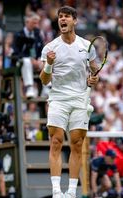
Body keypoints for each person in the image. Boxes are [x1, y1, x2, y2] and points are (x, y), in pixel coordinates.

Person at [39, 5, 99, 198]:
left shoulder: (86, 46)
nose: (62, 20)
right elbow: (44, 80)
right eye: (60, 17)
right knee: (56, 141)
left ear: (75, 21)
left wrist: (94, 79)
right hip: (58, 99)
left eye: (66, 17)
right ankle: (57, 191)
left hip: (80, 100)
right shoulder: (50, 48)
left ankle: (71, 192)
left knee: (77, 143)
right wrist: (48, 64)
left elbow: (94, 70)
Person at [13, 13, 44, 98]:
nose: (36, 25)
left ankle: (47, 88)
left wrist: (39, 59)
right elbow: (16, 52)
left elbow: (42, 50)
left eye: (37, 23)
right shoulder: (18, 35)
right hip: (21, 62)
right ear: (27, 22)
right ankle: (30, 88)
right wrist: (30, 59)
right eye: (34, 23)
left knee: (47, 61)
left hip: (36, 62)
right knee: (26, 62)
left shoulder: (37, 34)